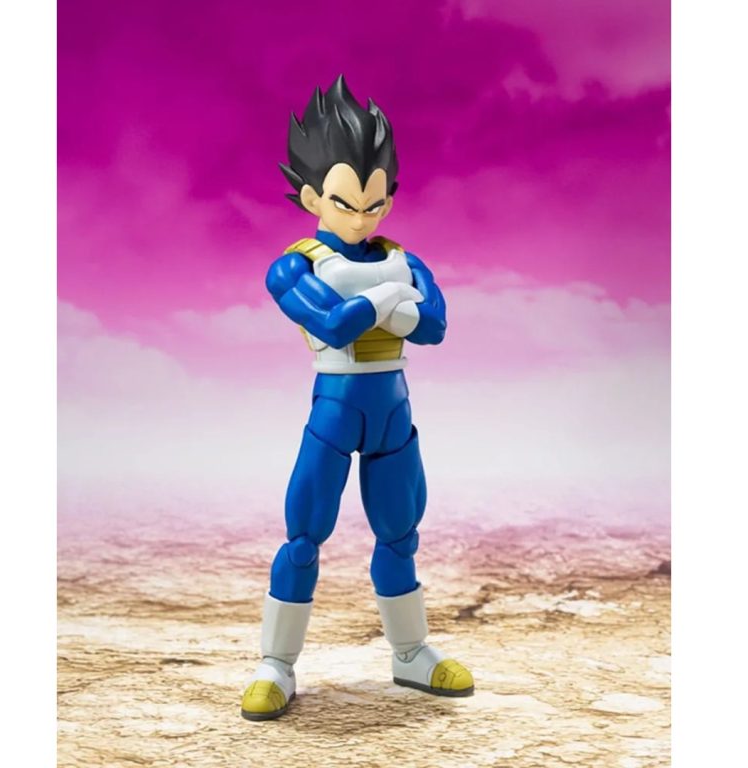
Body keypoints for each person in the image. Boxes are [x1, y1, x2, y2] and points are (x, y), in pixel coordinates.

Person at [241, 75, 474, 721]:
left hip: (392, 411)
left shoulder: (404, 257)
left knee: (400, 534)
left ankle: (411, 653)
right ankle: (276, 663)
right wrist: (391, 299)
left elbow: (435, 327)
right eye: (347, 203)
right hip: (335, 409)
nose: (364, 217)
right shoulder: (295, 265)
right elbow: (334, 324)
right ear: (313, 196)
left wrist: (385, 304)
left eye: (377, 203)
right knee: (303, 536)